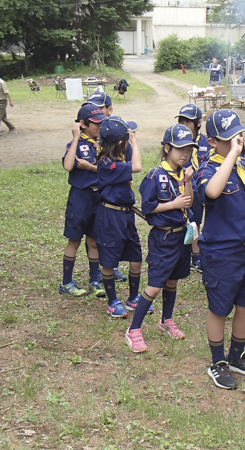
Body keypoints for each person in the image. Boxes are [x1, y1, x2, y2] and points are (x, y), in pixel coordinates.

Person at [197, 110, 245, 390]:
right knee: (219, 308)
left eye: (240, 134)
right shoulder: (208, 170)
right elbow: (212, 192)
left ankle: (237, 354)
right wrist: (230, 157)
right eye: (230, 138)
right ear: (213, 142)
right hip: (221, 253)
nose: (238, 140)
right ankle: (218, 361)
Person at [125, 125, 195, 353]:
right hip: (163, 238)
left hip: (180, 237)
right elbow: (147, 208)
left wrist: (189, 182)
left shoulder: (183, 174)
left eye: (189, 149)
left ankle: (166, 320)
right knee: (155, 286)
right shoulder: (156, 175)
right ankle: (133, 330)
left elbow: (189, 202)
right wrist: (173, 204)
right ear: (167, 148)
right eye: (180, 149)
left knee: (172, 281)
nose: (185, 154)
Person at [96, 116, 146, 319]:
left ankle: (133, 298)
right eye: (127, 137)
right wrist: (134, 142)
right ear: (120, 142)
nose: (130, 140)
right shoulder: (107, 163)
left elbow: (131, 159)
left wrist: (129, 142)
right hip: (110, 216)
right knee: (109, 259)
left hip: (126, 215)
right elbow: (137, 167)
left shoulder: (118, 154)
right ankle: (112, 301)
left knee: (136, 257)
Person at [59, 104, 106, 298]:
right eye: (96, 124)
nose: (100, 127)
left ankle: (95, 280)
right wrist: (76, 137)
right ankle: (66, 282)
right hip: (80, 198)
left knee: (93, 240)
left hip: (98, 198)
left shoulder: (102, 143)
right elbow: (68, 166)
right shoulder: (76, 144)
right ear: (83, 124)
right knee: (75, 239)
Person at [84, 91, 130, 282]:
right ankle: (96, 273)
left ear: (109, 110)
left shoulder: (118, 134)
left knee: (109, 233)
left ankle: (111, 265)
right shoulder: (88, 135)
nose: (95, 112)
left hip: (112, 194)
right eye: (91, 107)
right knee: (93, 233)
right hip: (90, 192)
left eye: (99, 107)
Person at [177, 104, 210, 272]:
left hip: (201, 188)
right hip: (183, 187)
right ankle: (185, 254)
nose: (184, 125)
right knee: (184, 220)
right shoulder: (177, 142)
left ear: (198, 123)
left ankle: (196, 255)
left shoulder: (206, 142)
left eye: (188, 121)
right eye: (181, 121)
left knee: (197, 221)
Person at [0, 70, 15, 136]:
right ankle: (11, 127)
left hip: (2, 101)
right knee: (3, 117)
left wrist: (11, 102)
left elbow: (7, 92)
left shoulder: (1, 82)